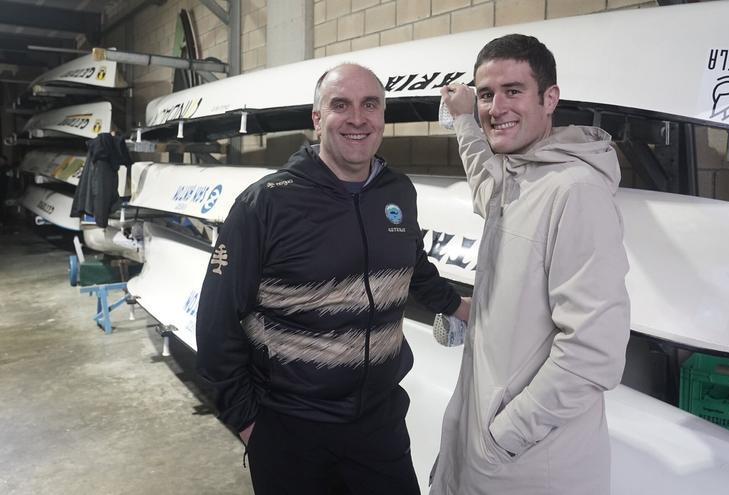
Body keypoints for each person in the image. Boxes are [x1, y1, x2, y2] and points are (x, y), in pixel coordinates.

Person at [196, 63, 469, 495]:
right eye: (341, 105)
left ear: (382, 116)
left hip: (379, 422)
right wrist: (247, 421)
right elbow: (216, 323)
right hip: (291, 428)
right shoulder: (265, 203)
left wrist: (457, 306)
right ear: (317, 118)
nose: (357, 118)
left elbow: (413, 264)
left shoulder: (397, 191)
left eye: (370, 105)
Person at [432, 34, 631, 494]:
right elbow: (484, 182)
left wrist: (502, 438)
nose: (496, 107)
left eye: (513, 91)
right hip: (486, 450)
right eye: (487, 94)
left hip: (528, 466)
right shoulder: (518, 177)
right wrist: (463, 119)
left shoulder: (575, 192)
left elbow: (593, 352)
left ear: (550, 98)